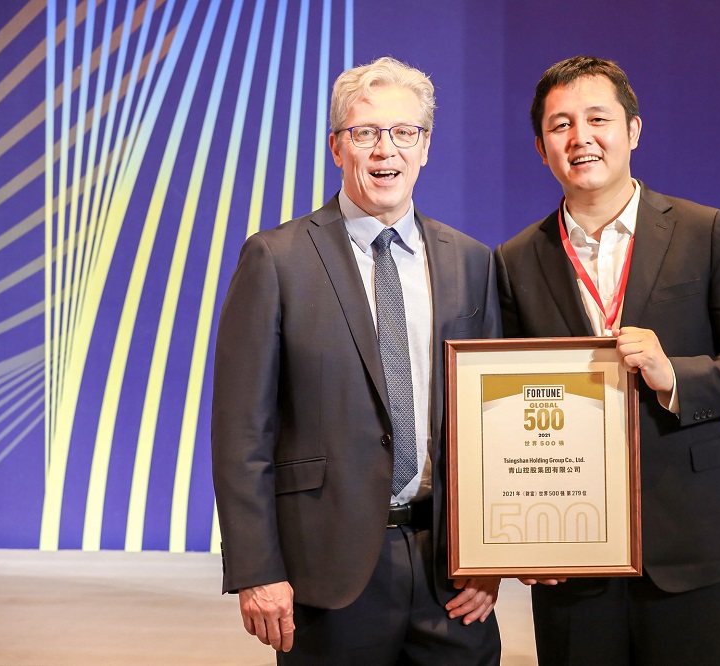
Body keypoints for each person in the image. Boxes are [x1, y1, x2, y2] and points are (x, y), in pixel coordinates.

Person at [494, 55, 720, 665]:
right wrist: (521, 533)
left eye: (597, 119)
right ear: (541, 149)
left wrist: (675, 374)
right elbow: (503, 409)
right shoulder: (514, 258)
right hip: (571, 549)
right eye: (560, 125)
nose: (580, 138)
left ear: (633, 130)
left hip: (689, 540)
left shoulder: (703, 231)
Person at [212, 56, 502, 665]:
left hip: (451, 573)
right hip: (327, 571)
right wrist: (256, 569)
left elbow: (491, 423)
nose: (384, 149)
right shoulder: (277, 258)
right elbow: (241, 431)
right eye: (365, 132)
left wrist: (493, 553)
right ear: (336, 147)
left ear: (425, 147)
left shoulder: (472, 261)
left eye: (404, 132)